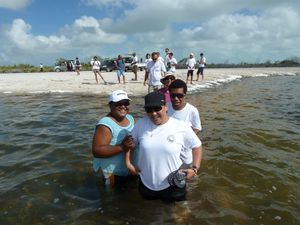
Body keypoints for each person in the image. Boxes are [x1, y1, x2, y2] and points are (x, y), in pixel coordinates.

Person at [125, 91, 203, 201]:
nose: (153, 113)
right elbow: (130, 144)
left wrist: (194, 169)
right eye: (149, 110)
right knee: (149, 213)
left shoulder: (181, 126)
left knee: (179, 215)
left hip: (173, 185)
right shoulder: (141, 124)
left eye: (157, 108)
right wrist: (128, 163)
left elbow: (197, 146)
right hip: (146, 184)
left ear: (165, 107)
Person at [92, 90, 135, 186]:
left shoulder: (130, 118)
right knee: (111, 198)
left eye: (126, 103)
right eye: (118, 104)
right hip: (112, 173)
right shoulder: (105, 124)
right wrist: (122, 147)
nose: (123, 106)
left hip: (128, 170)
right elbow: (97, 151)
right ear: (110, 105)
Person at [168, 79, 202, 165]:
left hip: (185, 153)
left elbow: (197, 128)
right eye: (172, 95)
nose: (176, 99)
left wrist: (186, 139)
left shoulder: (192, 110)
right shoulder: (165, 107)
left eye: (179, 95)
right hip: (169, 150)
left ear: (185, 95)